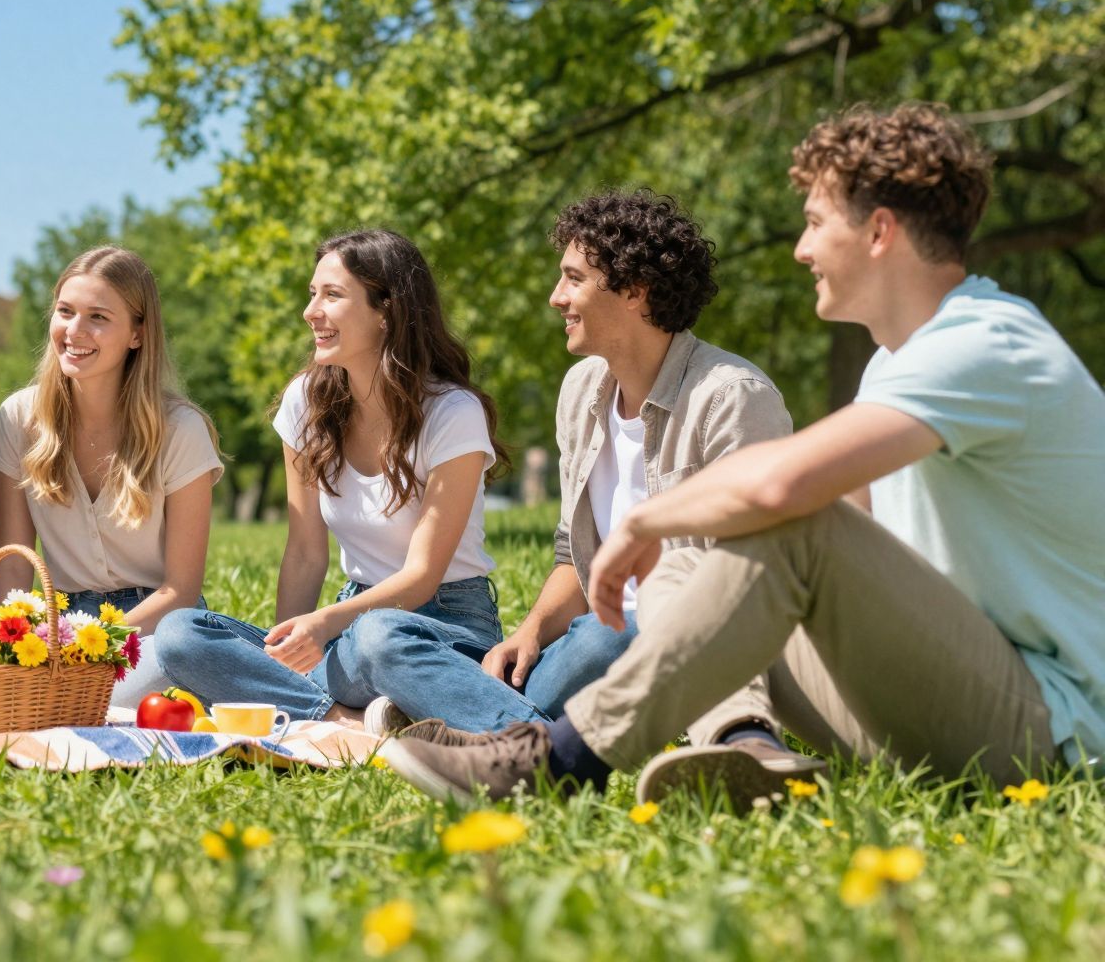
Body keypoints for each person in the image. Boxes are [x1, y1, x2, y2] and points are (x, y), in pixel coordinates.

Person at [384, 105, 1105, 806]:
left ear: (880, 231)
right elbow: (858, 541)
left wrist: (646, 520)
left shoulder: (985, 343)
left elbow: (789, 494)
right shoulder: (896, 364)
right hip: (932, 705)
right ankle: (745, 744)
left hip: (1047, 730)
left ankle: (559, 761)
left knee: (793, 519)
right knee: (693, 562)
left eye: (817, 222)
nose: (801, 248)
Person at [361, 193, 806, 766]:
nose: (557, 298)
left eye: (573, 279)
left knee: (607, 633)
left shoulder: (732, 398)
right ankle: (517, 728)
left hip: (684, 641)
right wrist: (531, 632)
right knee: (381, 637)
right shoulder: (582, 391)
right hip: (590, 641)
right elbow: (575, 555)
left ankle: (472, 721)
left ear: (634, 290)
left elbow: (751, 576)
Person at [151, 229, 510, 728]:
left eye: (332, 295)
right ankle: (345, 719)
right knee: (180, 635)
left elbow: (424, 573)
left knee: (377, 638)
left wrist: (323, 626)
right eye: (312, 294)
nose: (310, 311)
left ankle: (340, 708)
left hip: (444, 622)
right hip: (348, 625)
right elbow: (304, 553)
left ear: (386, 312)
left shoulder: (452, 412)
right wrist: (284, 647)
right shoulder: (306, 402)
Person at [0, 246, 222, 708]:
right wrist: (16, 641)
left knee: (135, 675)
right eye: (65, 311)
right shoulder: (19, 417)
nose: (74, 331)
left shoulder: (180, 429)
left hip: (151, 625)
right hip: (59, 623)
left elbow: (181, 591)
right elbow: (14, 565)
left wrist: (90, 645)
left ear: (137, 333)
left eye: (98, 317)